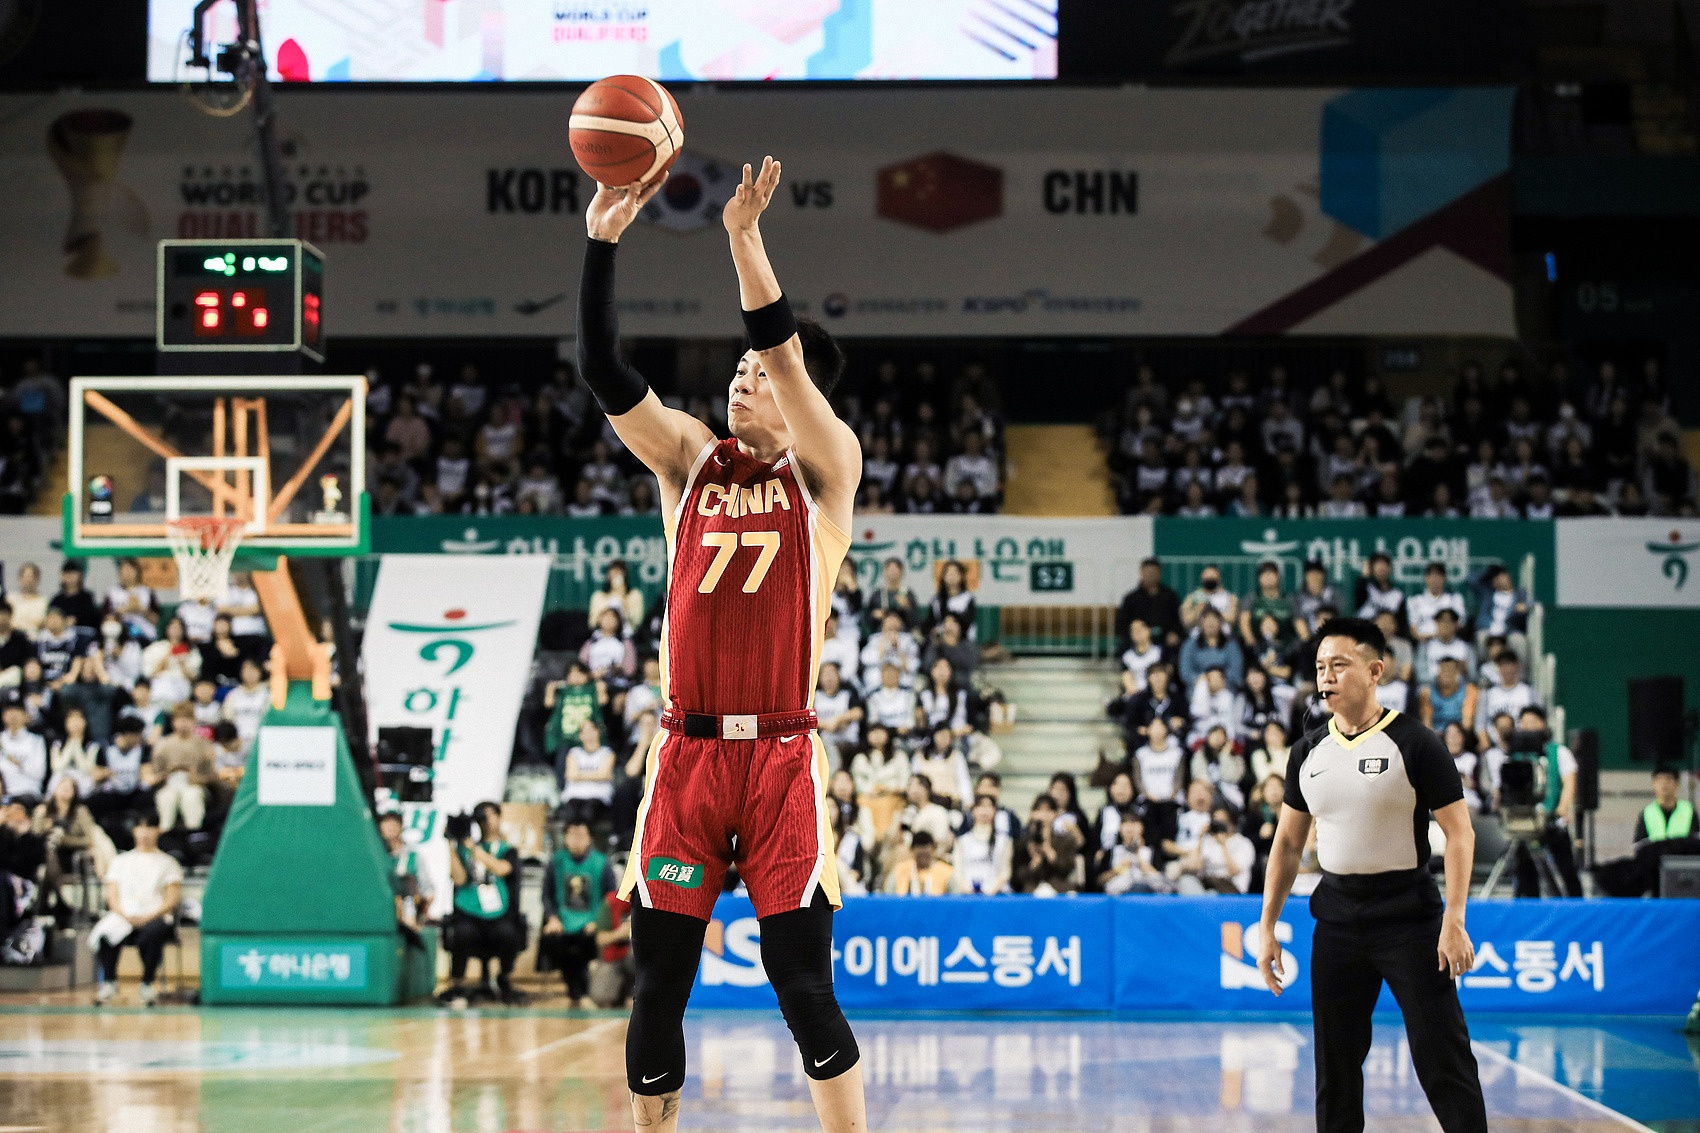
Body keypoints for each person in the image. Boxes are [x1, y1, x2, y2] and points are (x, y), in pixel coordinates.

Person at [581, 156, 865, 1128]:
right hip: (687, 752)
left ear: (798, 397)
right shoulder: (686, 458)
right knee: (658, 982)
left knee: (802, 982)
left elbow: (781, 349)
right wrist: (600, 244)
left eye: (759, 374)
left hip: (781, 755)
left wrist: (745, 240)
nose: (744, 376)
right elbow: (604, 371)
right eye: (737, 371)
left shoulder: (827, 470)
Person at [1256, 616, 1486, 1133]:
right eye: (1321, 667)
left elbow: (1460, 834)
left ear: (1375, 671)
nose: (1326, 677)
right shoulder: (1307, 751)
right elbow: (1287, 844)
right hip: (1336, 919)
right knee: (1335, 1067)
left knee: (1442, 1056)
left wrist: (1454, 919)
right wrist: (1267, 926)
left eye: (1339, 665)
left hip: (1409, 916)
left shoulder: (1417, 743)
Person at [92, 811, 182, 1006]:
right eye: (140, 827)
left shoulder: (168, 863)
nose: (145, 832)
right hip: (124, 916)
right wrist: (124, 915)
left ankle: (147, 984)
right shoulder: (120, 861)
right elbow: (111, 896)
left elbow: (171, 899)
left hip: (154, 916)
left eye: (150, 827)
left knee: (153, 932)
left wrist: (147, 917)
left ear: (158, 830)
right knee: (106, 932)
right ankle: (109, 982)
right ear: (134, 830)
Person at [443, 800, 527, 1005]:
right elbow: (459, 879)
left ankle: (504, 977)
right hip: (470, 912)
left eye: (489, 815)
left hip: (499, 913)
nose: (486, 821)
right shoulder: (465, 849)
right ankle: (457, 983)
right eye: (481, 817)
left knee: (508, 933)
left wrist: (473, 848)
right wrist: (451, 844)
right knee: (462, 932)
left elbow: (501, 869)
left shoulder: (507, 850)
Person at [1503, 706, 1583, 898]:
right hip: (1524, 821)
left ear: (1543, 724)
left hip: (1552, 823)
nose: (1528, 727)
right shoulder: (1515, 756)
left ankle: (1576, 905)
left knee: (1566, 870)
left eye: (1533, 722)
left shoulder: (1559, 752)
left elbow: (1569, 782)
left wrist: (1563, 807)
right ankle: (1531, 907)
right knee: (1525, 872)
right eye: (1524, 723)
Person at [540, 819, 613, 1008]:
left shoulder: (602, 863)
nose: (576, 840)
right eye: (572, 835)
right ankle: (575, 991)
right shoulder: (556, 861)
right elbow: (547, 895)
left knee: (584, 944)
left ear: (589, 838)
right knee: (554, 941)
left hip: (591, 923)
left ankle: (581, 991)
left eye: (581, 835)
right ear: (565, 838)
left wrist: (599, 922)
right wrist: (552, 918)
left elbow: (611, 898)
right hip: (562, 922)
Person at [146, 705, 214, 837]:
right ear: (173, 722)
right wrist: (165, 775)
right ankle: (164, 833)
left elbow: (212, 775)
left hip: (195, 785)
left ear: (193, 720)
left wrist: (198, 779)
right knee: (166, 797)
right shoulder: (163, 745)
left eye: (187, 719)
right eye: (179, 719)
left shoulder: (204, 745)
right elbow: (155, 773)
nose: (183, 723)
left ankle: (194, 833)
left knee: (191, 796)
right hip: (169, 785)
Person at [1012, 794, 1080, 896]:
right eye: (1039, 810)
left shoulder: (1065, 840)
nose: (1043, 815)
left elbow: (1068, 869)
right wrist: (1033, 863)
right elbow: (1016, 878)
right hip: (1031, 888)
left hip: (1059, 887)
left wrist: (1051, 854)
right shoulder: (1023, 842)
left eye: (1048, 810)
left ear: (1055, 813)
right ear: (1032, 813)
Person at [558, 719, 616, 829]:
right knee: (570, 815)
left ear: (597, 732)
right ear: (580, 736)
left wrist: (580, 775)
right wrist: (596, 775)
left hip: (598, 796)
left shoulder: (607, 753)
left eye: (591, 730)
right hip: (574, 796)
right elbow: (571, 775)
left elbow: (604, 775)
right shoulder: (574, 752)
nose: (588, 734)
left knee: (587, 814)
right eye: (584, 731)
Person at [1116, 557, 1183, 651]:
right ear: (1141, 573)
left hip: (1164, 639)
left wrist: (1174, 633)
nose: (1150, 575)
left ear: (1159, 574)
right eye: (1147, 572)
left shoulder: (1170, 596)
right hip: (1137, 640)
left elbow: (1178, 619)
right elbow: (1122, 624)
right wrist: (1136, 635)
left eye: (1153, 572)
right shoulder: (1131, 598)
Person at [378, 811, 430, 928]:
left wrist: (418, 909)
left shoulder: (412, 856)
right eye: (386, 823)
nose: (390, 827)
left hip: (407, 914)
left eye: (394, 823)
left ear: (401, 827)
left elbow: (428, 891)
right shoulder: (376, 856)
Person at [950, 794, 1011, 894]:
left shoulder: (1003, 840)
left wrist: (992, 891)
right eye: (980, 806)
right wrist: (966, 889)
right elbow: (957, 871)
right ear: (973, 810)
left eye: (988, 806)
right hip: (967, 894)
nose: (984, 811)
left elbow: (1005, 871)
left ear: (995, 811)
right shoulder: (962, 841)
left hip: (995, 895)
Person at [0, 699, 47, 797]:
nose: (13, 715)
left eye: (17, 711)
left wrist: (15, 761)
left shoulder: (36, 740)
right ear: (3, 716)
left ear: (26, 716)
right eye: (9, 711)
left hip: (28, 792)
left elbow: (39, 773)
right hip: (3, 793)